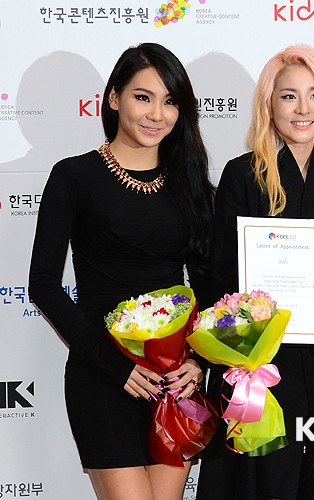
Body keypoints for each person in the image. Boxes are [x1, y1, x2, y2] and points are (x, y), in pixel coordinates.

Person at [196, 45, 314, 500]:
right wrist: (247, 329)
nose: (304, 109)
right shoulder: (242, 176)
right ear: (269, 105)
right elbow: (220, 277)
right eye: (289, 96)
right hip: (264, 371)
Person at [28, 43, 215, 499]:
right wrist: (115, 366)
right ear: (114, 98)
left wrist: (199, 361)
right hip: (104, 375)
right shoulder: (74, 176)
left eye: (170, 101)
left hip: (172, 379)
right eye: (143, 97)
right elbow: (44, 285)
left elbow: (210, 286)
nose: (157, 114)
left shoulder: (190, 182)